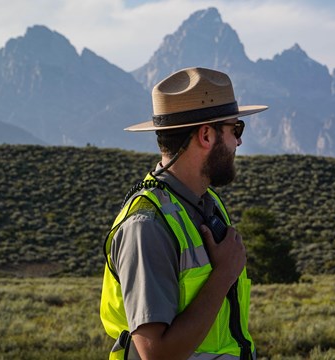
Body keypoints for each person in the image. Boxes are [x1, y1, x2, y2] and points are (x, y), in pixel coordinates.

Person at [100, 67, 268, 360]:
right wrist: (224, 274)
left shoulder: (206, 202)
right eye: (235, 129)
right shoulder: (146, 226)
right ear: (206, 135)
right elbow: (156, 354)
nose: (238, 142)